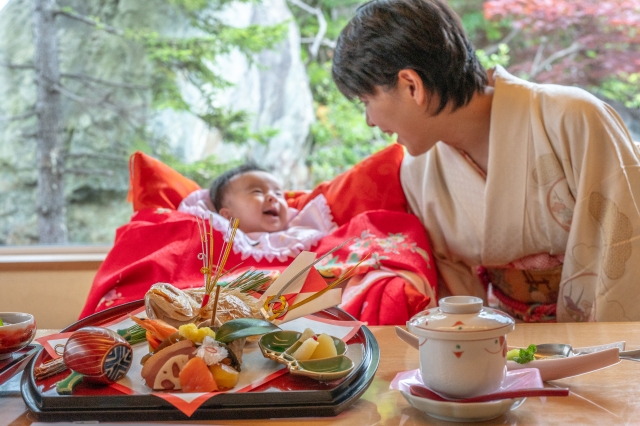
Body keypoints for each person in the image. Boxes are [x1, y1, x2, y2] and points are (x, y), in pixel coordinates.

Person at [332, 0, 640, 322]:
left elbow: (626, 247)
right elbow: (459, 299)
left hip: (600, 344)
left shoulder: (574, 119)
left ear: (412, 86)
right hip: (503, 349)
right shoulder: (418, 171)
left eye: (367, 100)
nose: (368, 120)